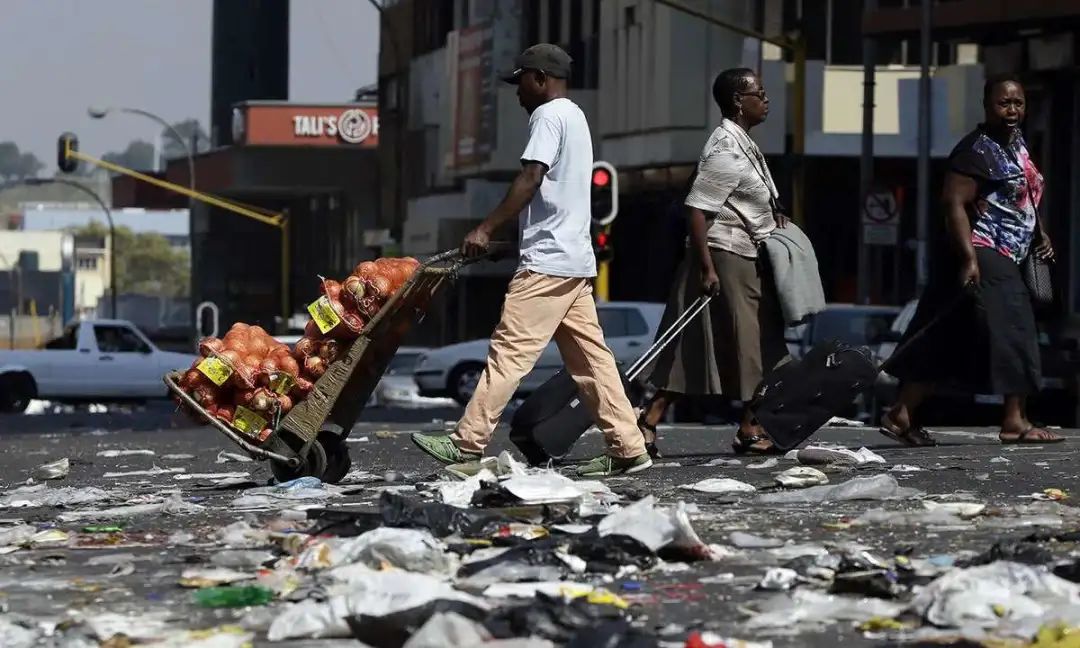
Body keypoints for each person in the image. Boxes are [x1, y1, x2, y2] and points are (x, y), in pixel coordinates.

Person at [410, 44, 652, 476]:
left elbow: (531, 177)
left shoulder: (548, 115)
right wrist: (512, 240)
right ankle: (629, 447)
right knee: (591, 362)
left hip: (548, 263)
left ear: (540, 77)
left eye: (520, 81)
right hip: (572, 259)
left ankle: (467, 443)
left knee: (509, 352)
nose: (517, 93)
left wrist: (486, 228)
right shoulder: (575, 116)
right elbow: (554, 197)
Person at [880, 73, 1063, 446]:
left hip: (1007, 249)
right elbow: (954, 204)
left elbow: (1020, 196)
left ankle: (901, 413)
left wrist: (1038, 232)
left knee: (947, 332)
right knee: (1017, 326)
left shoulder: (1015, 144)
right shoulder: (975, 150)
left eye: (1018, 103)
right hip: (983, 249)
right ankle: (1015, 420)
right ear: (987, 105)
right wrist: (968, 259)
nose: (1012, 110)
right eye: (1003, 103)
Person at [638, 68, 789, 457]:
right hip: (726, 257)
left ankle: (743, 424)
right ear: (739, 101)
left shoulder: (743, 144)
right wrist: (707, 269)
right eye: (759, 92)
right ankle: (744, 426)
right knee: (750, 345)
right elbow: (697, 211)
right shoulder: (725, 148)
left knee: (752, 343)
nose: (766, 98)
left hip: (745, 255)